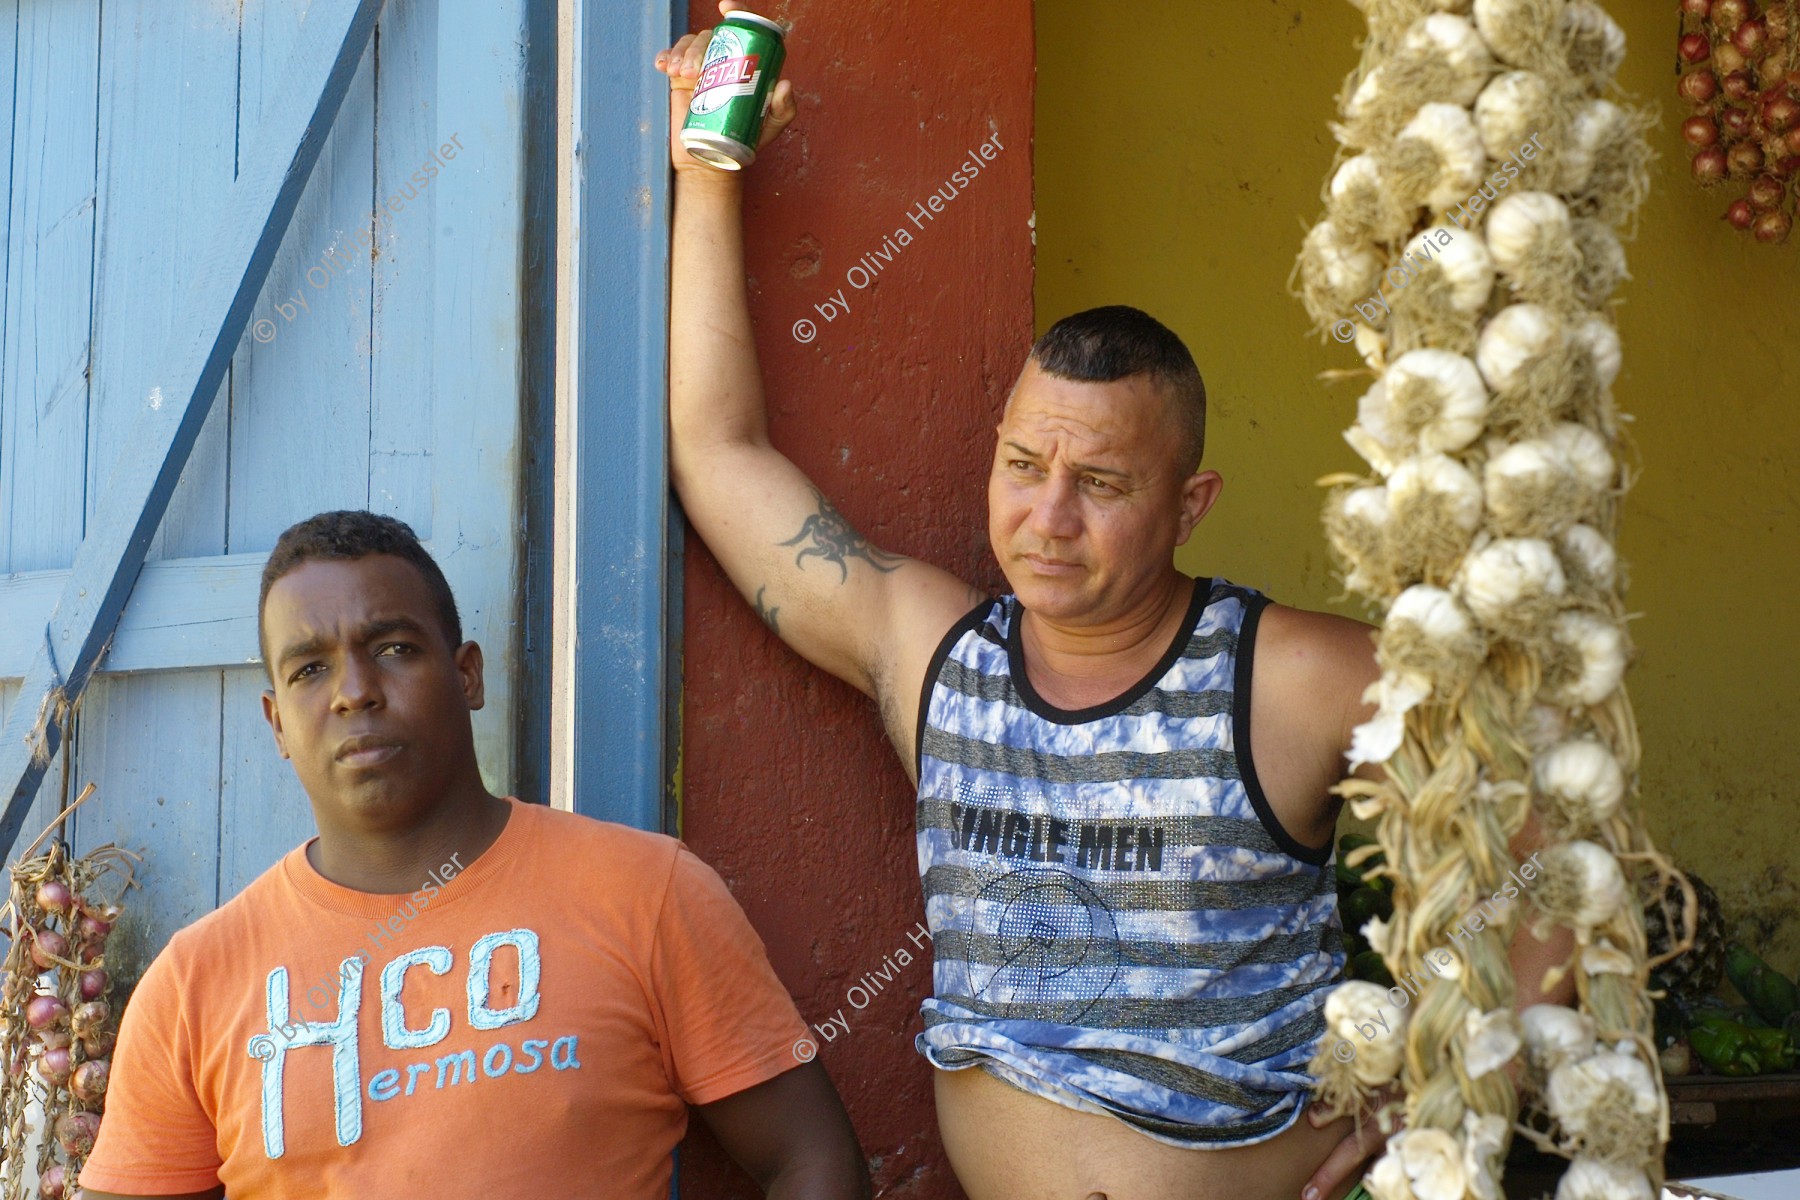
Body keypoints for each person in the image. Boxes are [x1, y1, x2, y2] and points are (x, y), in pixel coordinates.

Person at [657, 10, 1575, 1200]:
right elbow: (716, 451)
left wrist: (1448, 1067)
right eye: (1023, 467)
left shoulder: (1285, 678)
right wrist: (710, 172)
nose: (1047, 519)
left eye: (1101, 485)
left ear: (1190, 503)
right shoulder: (935, 658)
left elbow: (1560, 834)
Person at [81, 511, 868, 1200]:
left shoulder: (645, 893)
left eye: (392, 647)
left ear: (468, 676)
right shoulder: (192, 984)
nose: (354, 691)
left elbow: (812, 1158)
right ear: (277, 723)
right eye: (310, 669)